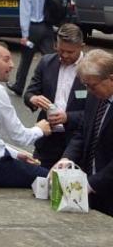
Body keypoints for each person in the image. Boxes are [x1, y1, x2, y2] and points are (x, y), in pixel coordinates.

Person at [0, 40, 51, 187]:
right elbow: (20, 137)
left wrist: (16, 154)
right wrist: (40, 129)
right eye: (6, 60)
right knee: (51, 177)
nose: (12, 65)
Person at [56, 49, 113, 216]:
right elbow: (82, 132)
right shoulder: (95, 97)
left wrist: (90, 184)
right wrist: (67, 158)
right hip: (91, 190)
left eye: (92, 86)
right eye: (85, 85)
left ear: (111, 78)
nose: (88, 91)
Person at [23, 23, 88, 167]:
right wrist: (33, 99)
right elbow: (29, 92)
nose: (64, 55)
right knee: (41, 183)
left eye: (70, 52)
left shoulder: (90, 68)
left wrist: (67, 117)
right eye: (60, 50)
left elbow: (95, 112)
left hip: (76, 140)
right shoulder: (46, 62)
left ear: (81, 46)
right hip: (47, 139)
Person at [11, 0, 53, 95]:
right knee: (51, 58)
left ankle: (19, 86)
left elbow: (25, 13)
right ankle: (52, 86)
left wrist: (24, 35)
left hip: (33, 29)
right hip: (47, 27)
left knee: (26, 59)